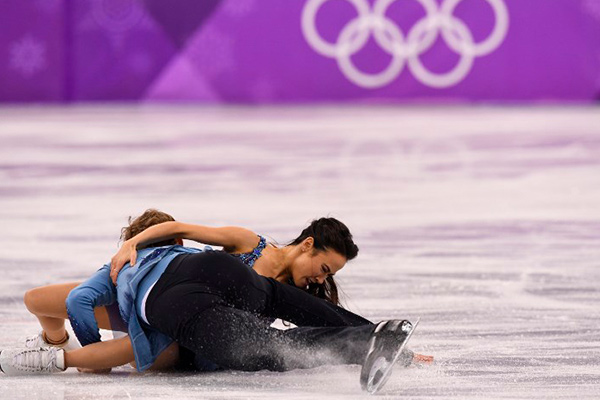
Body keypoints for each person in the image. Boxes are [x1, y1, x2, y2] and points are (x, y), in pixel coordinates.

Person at [1, 211, 431, 392]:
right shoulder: (250, 244)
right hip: (202, 289)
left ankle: (375, 338)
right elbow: (180, 226)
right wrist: (128, 245)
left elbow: (329, 316)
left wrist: (64, 353)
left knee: (272, 340)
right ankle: (373, 338)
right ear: (308, 244)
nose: (322, 279)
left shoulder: (301, 291)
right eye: (324, 269)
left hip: (195, 307)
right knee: (276, 336)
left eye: (328, 276)